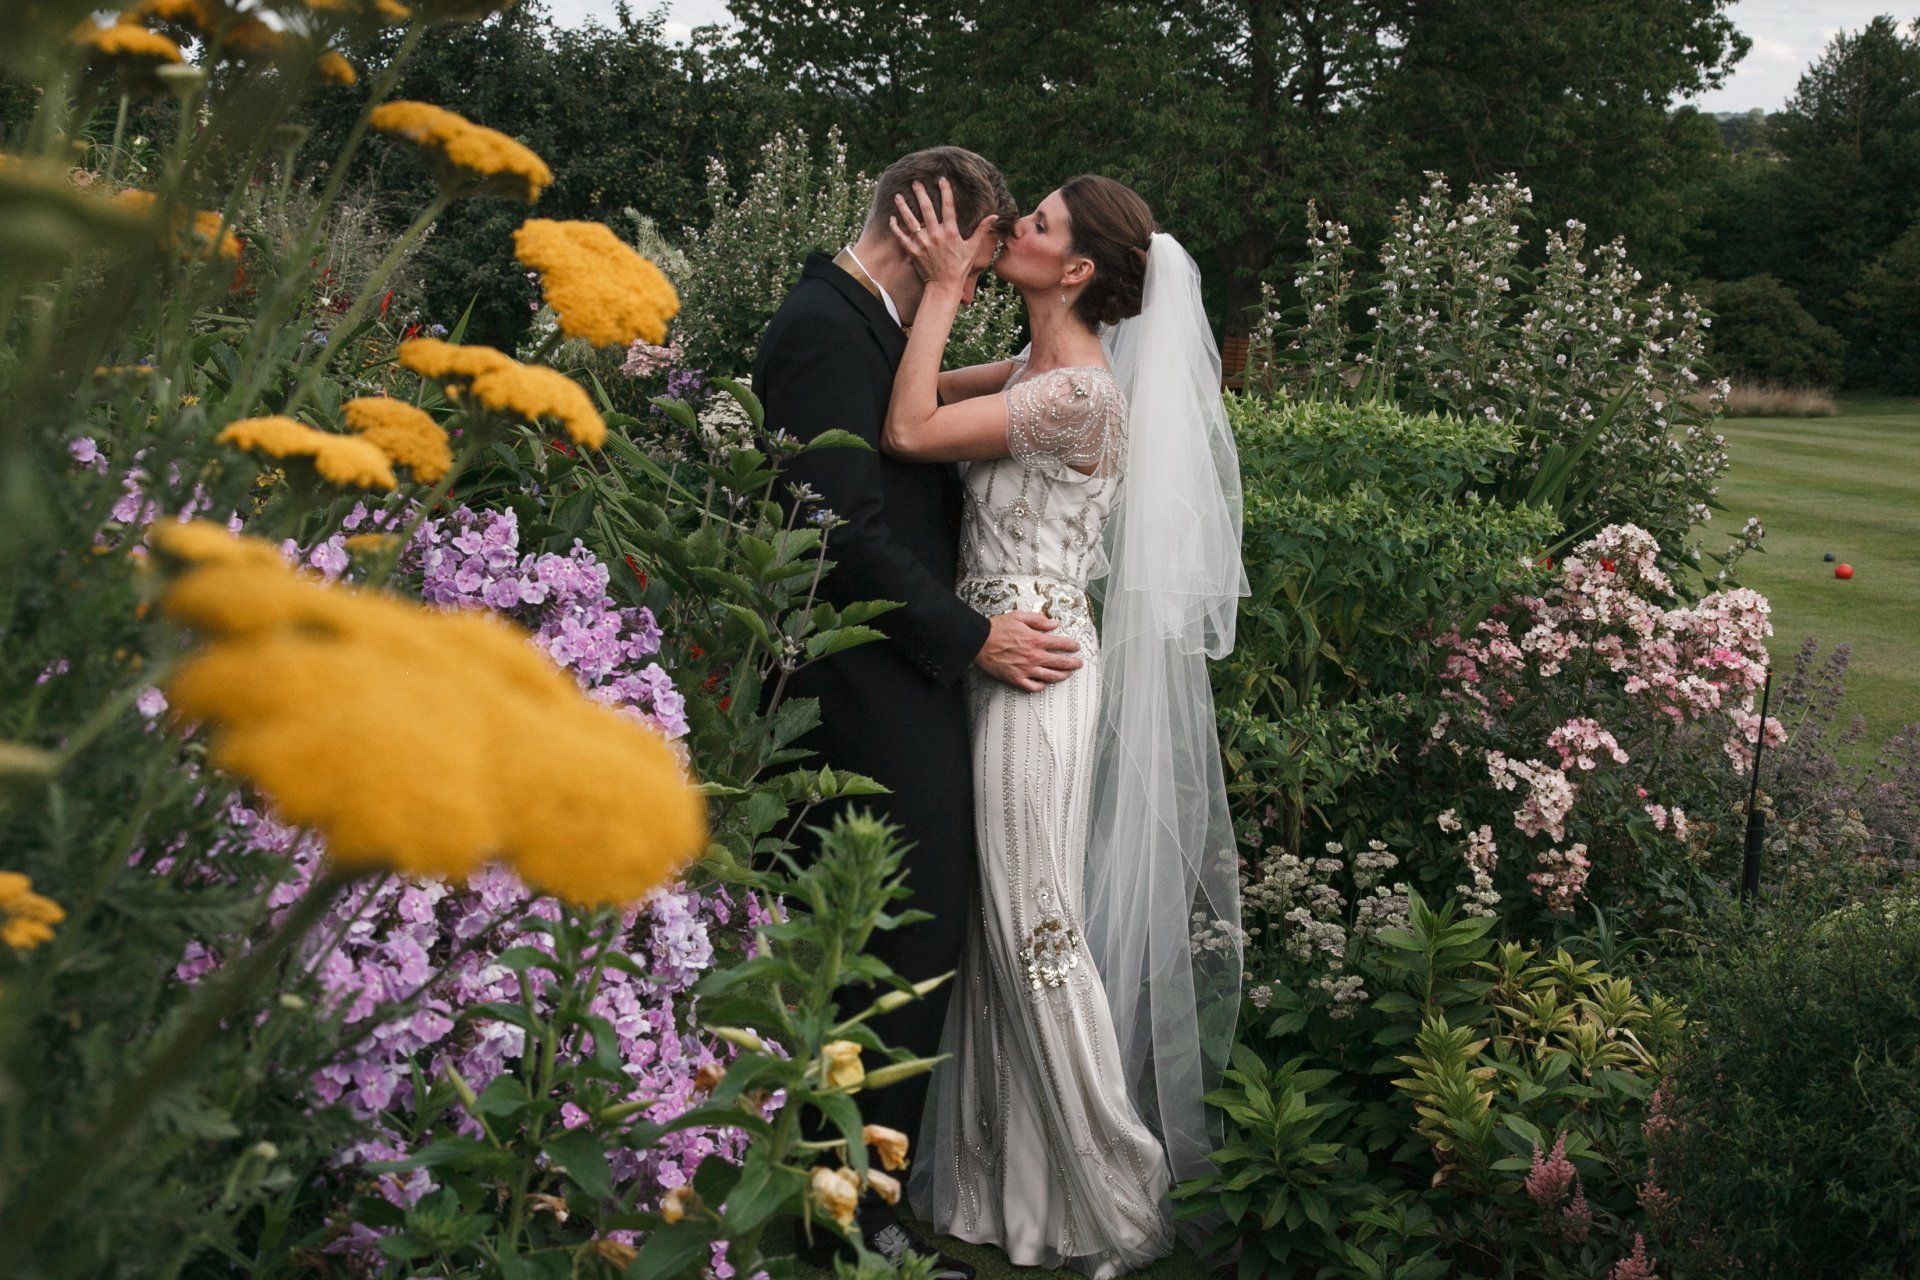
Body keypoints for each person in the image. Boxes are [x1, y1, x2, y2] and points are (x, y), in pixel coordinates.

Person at [882, 175, 1248, 1277]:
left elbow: (908, 429)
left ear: (1078, 270)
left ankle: (1118, 1191)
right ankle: (1011, 1196)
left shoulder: (1079, 395)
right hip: (992, 660)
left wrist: (942, 283)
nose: (1015, 229)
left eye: (1037, 225)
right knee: (994, 930)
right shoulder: (1033, 370)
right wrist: (935, 295)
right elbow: (913, 386)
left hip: (1035, 673)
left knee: (1035, 927)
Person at [752, 148, 1083, 1276]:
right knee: (894, 933)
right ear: (930, 224)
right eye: (983, 252)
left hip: (906, 674)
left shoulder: (885, 328)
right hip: (860, 684)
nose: (983, 277)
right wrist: (971, 633)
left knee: (909, 929)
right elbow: (836, 528)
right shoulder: (822, 325)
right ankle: (850, 1219)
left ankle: (853, 1198)